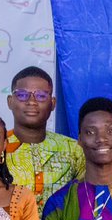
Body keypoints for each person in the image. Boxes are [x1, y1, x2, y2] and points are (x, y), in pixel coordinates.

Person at [5, 65, 85, 212]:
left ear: (53, 103)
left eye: (41, 95)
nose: (31, 101)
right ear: (10, 101)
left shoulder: (74, 149)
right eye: (22, 95)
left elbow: (86, 200)